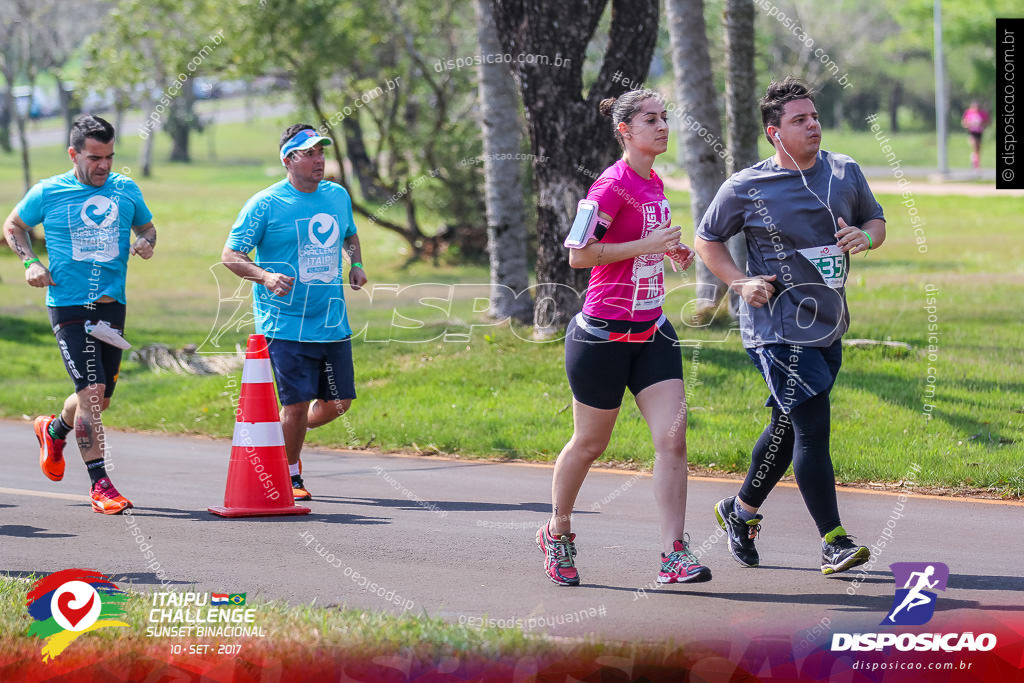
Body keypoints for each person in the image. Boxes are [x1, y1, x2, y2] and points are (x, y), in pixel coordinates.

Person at [694, 77, 886, 575]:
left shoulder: (844, 171)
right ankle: (834, 541)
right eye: (799, 120)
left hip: (830, 323)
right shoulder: (746, 186)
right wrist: (739, 283)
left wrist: (865, 237)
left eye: (814, 117)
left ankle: (739, 512)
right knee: (811, 427)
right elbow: (707, 239)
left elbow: (876, 221)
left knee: (785, 426)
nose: (813, 125)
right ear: (774, 133)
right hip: (777, 328)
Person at [536, 89, 710, 587]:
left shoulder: (654, 182)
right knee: (590, 443)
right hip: (602, 336)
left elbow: (640, 250)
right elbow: (579, 256)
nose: (662, 126)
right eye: (650, 119)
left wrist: (665, 252)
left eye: (665, 118)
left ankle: (674, 554)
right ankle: (559, 530)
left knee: (672, 440)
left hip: (652, 329)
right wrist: (645, 245)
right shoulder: (609, 187)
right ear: (625, 130)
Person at [3, 114, 157, 514]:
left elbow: (148, 228)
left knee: (98, 400)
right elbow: (14, 226)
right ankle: (100, 484)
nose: (103, 165)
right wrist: (30, 264)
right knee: (90, 393)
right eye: (94, 157)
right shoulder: (49, 192)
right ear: (74, 154)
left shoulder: (125, 189)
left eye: (108, 156)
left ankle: (53, 430)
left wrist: (145, 242)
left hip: (112, 306)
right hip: (68, 304)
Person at [222, 124, 367, 502]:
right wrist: (265, 277)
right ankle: (288, 474)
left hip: (332, 320)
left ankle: (289, 433)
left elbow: (350, 234)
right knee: (297, 404)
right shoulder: (265, 204)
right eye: (310, 153)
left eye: (321, 151)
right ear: (288, 159)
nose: (319, 159)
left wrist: (356, 263)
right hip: (284, 323)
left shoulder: (336, 196)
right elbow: (231, 256)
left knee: (338, 404)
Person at [961, 100, 991, 171]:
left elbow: (988, 122)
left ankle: (974, 159)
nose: (976, 108)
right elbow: (964, 123)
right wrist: (970, 124)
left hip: (979, 133)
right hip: (971, 132)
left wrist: (981, 124)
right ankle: (977, 165)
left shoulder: (982, 113)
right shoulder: (968, 112)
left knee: (978, 149)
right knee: (975, 146)